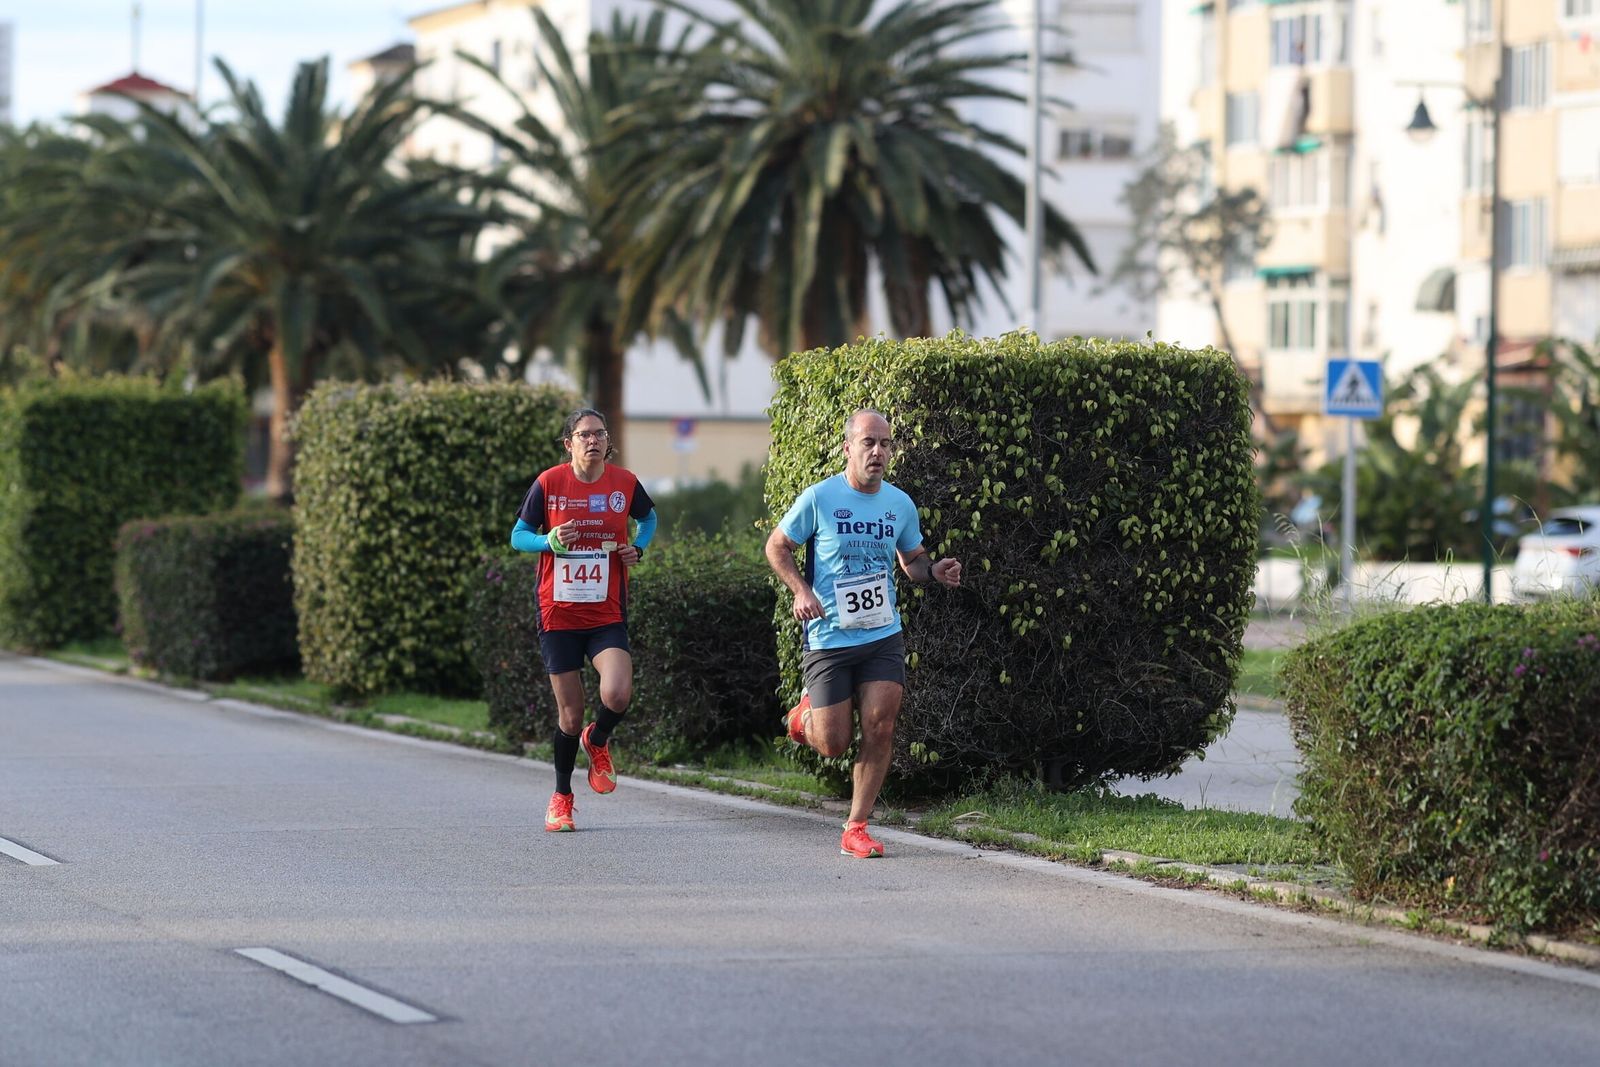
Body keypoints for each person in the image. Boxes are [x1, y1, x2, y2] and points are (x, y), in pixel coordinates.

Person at [765, 408, 962, 858]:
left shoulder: (899, 504)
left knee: (881, 725)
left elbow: (911, 562)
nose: (878, 452)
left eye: (886, 444)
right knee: (833, 743)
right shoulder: (819, 498)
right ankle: (802, 719)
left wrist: (934, 570)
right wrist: (801, 590)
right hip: (830, 638)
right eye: (868, 442)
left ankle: (856, 826)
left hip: (881, 634)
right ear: (848, 448)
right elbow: (777, 546)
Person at [510, 408, 657, 832]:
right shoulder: (549, 483)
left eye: (600, 434)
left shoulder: (624, 483)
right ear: (568, 443)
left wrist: (638, 547)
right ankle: (562, 798)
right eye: (584, 434)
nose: (593, 440)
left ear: (607, 441)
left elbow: (647, 518)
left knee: (617, 693)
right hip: (558, 614)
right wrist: (548, 539)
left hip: (606, 610)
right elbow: (517, 536)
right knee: (569, 715)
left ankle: (599, 738)